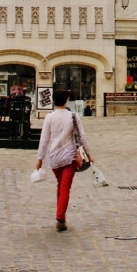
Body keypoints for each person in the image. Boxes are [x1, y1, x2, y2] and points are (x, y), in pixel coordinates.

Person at [31, 86, 93, 231]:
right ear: (67, 101)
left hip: (54, 157)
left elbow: (44, 139)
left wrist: (40, 158)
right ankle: (60, 216)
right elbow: (82, 136)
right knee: (65, 187)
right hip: (69, 155)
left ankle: (61, 216)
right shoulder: (73, 116)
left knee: (60, 185)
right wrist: (89, 154)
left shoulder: (49, 117)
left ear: (53, 101)